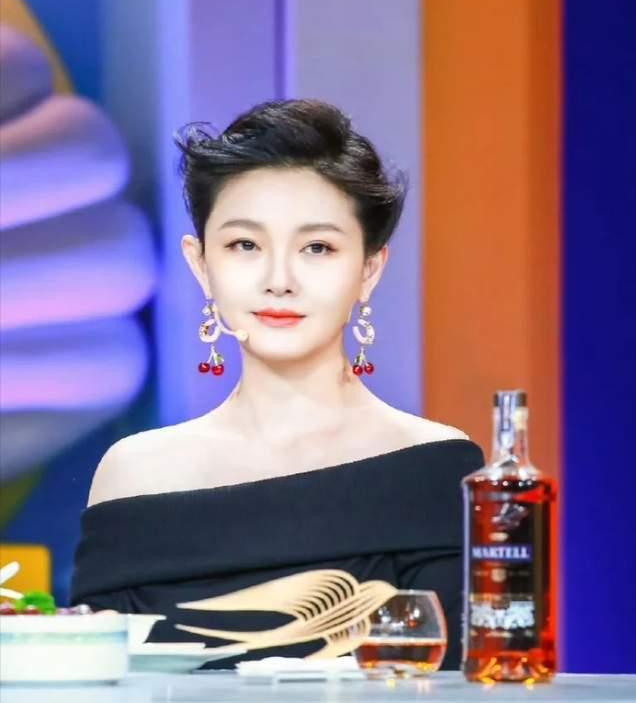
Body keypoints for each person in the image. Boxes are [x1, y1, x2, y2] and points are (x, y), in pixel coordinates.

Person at [71, 99, 484, 669]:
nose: (279, 280)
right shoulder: (135, 474)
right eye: (245, 245)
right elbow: (95, 681)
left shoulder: (434, 469)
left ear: (369, 269)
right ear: (201, 265)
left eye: (318, 248)